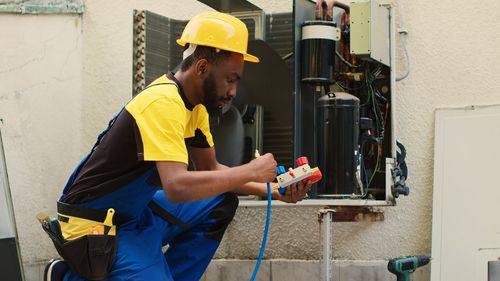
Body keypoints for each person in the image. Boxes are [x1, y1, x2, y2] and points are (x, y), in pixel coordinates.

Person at [43, 11, 312, 281]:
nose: (233, 91)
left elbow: (211, 169)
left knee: (221, 202)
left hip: (134, 212)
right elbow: (177, 187)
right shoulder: (162, 103)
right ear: (202, 67)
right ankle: (69, 276)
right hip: (95, 224)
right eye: (230, 79)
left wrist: (273, 190)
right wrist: (252, 172)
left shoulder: (196, 109)